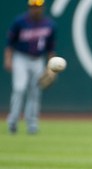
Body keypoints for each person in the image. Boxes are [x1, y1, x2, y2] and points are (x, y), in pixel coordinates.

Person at [4, 0, 57, 135]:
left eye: (38, 7)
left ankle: (32, 123)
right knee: (19, 89)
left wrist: (51, 68)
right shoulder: (19, 22)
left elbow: (51, 49)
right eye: (33, 7)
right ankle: (13, 121)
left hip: (38, 60)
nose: (36, 10)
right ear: (29, 8)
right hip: (21, 58)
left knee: (35, 91)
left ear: (43, 8)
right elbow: (9, 43)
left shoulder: (49, 24)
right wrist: (8, 59)